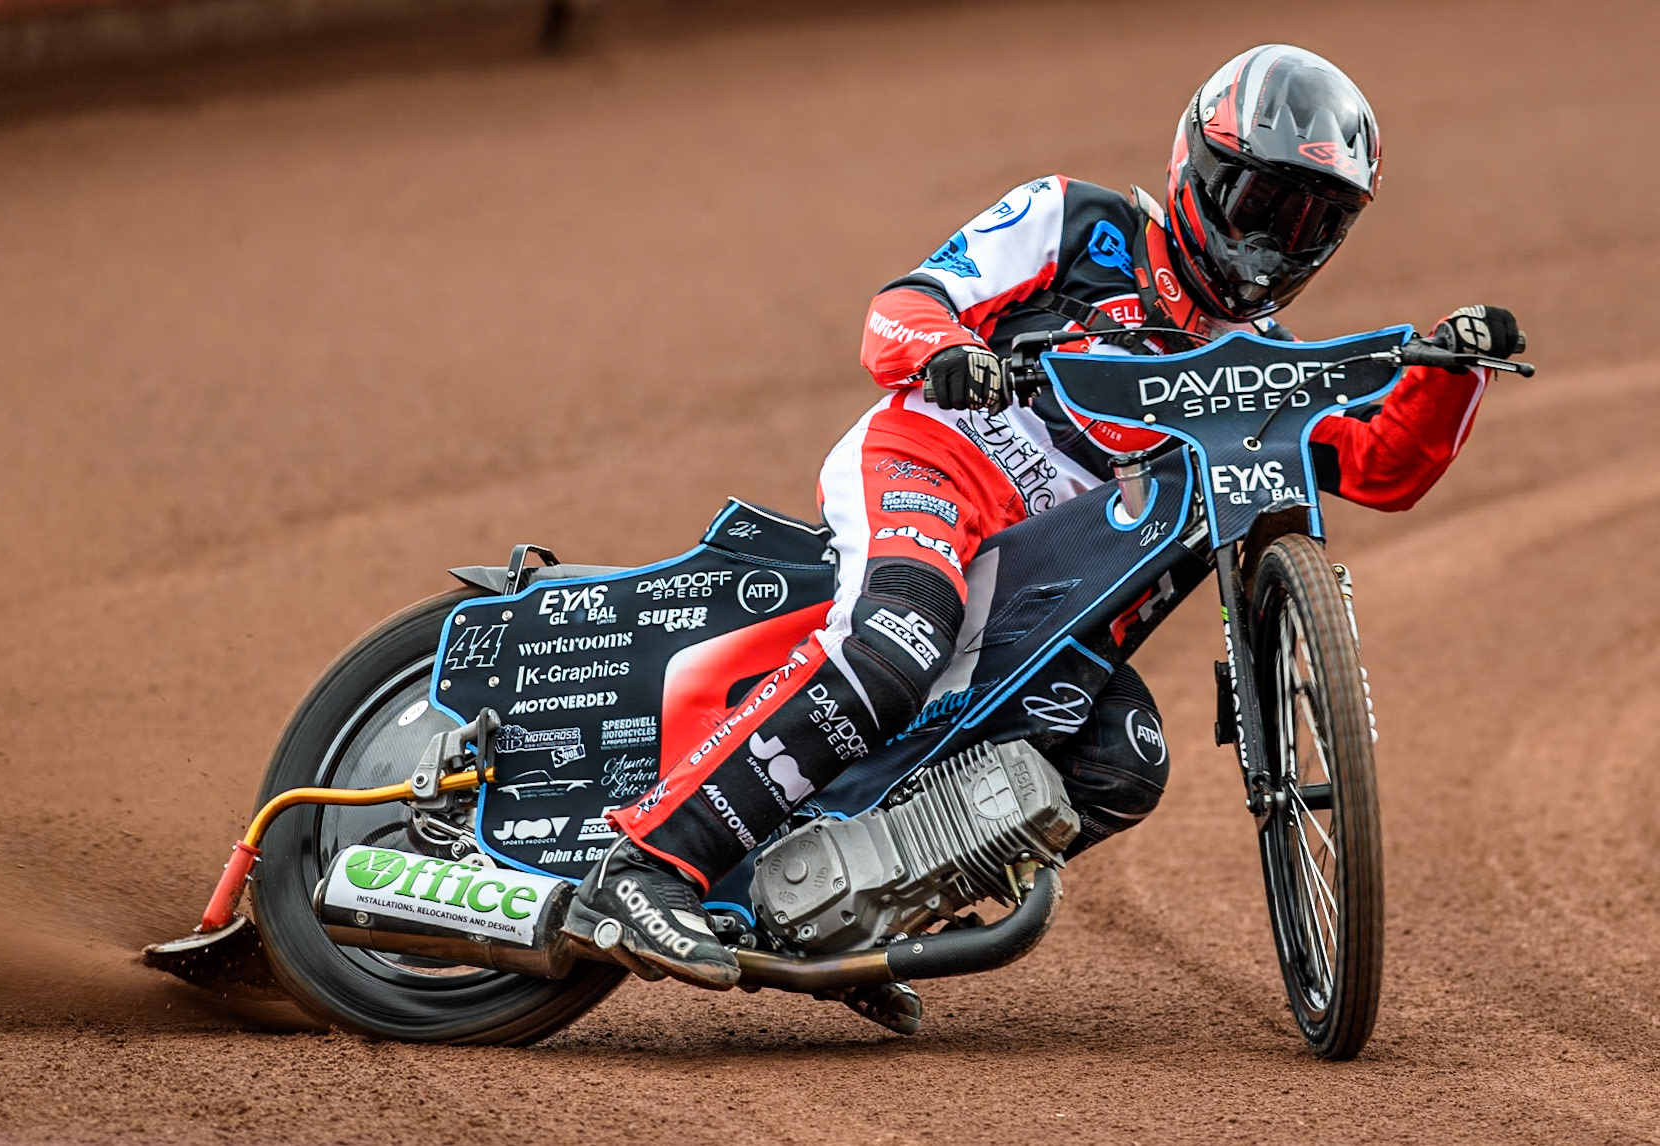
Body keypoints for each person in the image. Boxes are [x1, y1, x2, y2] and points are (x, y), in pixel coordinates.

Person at [564, 44, 1524, 989]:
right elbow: (900, 307)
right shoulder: (1076, 220)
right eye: (1264, 205)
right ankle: (642, 867)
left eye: (1316, 223)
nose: (1277, 242)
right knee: (902, 638)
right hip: (935, 464)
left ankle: (841, 905)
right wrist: (945, 349)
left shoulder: (1259, 362)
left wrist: (1451, 373)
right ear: (1198, 166)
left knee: (1121, 760)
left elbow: (1380, 467)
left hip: (1044, 585)